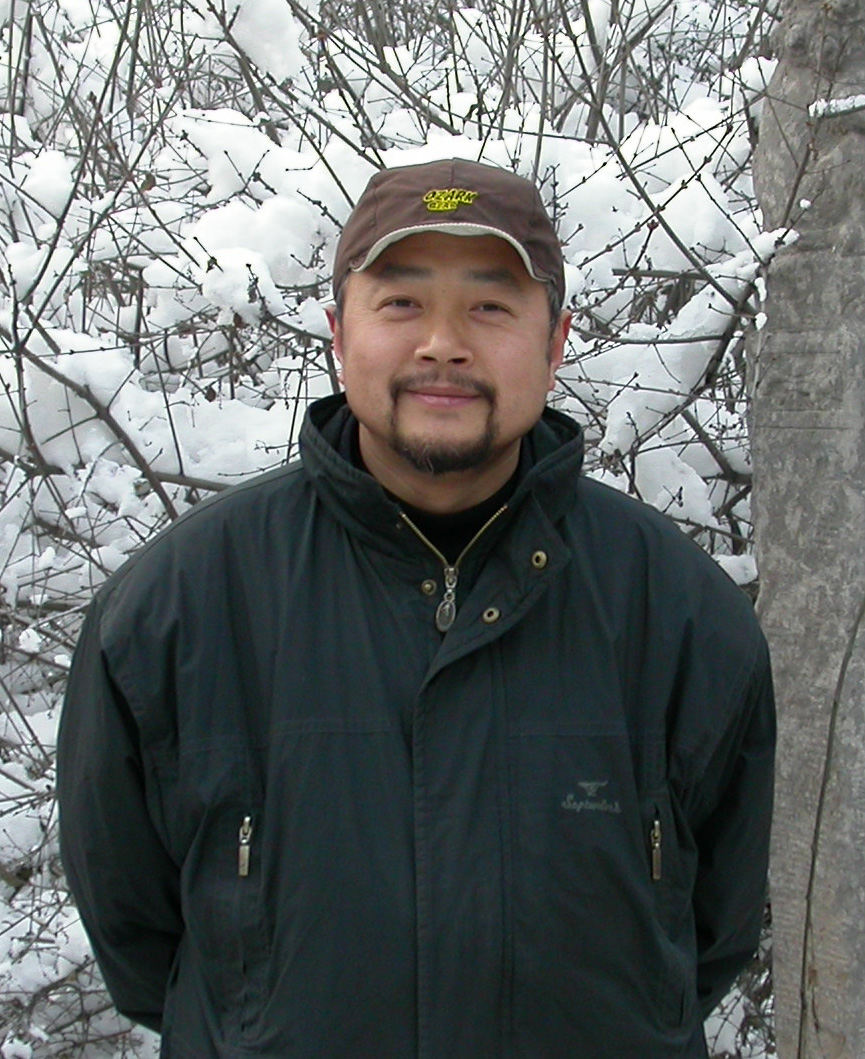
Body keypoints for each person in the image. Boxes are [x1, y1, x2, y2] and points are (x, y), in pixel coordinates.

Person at [57, 158, 775, 1059]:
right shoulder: (176, 612)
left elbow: (707, 941)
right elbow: (139, 940)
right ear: (336, 332)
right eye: (399, 303)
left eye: (489, 306)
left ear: (554, 343)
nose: (442, 342)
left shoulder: (679, 615)